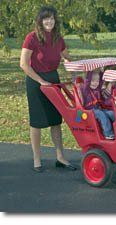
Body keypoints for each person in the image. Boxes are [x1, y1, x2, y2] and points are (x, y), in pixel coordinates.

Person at [20, 6, 77, 172]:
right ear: (40, 21)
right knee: (37, 122)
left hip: (53, 80)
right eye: (46, 18)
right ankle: (37, 160)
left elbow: (67, 57)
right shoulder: (31, 38)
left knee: (56, 121)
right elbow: (23, 64)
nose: (49, 21)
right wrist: (40, 81)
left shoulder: (58, 38)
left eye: (51, 18)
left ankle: (60, 158)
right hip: (35, 81)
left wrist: (70, 68)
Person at [82, 69, 115, 140]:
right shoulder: (86, 89)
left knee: (111, 113)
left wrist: (101, 71)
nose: (95, 83)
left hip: (98, 109)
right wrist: (90, 70)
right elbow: (87, 80)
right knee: (101, 114)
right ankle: (108, 133)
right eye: (93, 81)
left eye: (97, 81)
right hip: (90, 111)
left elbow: (101, 81)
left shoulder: (97, 89)